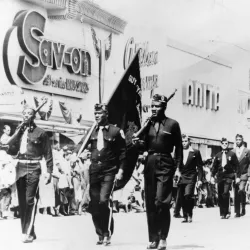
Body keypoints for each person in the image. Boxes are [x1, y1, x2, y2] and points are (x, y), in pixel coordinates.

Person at [133, 94, 182, 250]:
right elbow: (145, 146)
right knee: (150, 204)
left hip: (166, 163)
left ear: (164, 107)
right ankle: (153, 238)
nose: (154, 109)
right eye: (152, 106)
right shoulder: (147, 125)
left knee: (161, 201)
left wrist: (178, 169)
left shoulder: (172, 124)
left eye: (157, 106)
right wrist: (137, 143)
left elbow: (179, 148)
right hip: (150, 164)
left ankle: (163, 237)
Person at [74, 103, 126, 246]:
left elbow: (122, 153)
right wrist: (75, 154)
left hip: (109, 171)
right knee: (95, 204)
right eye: (95, 113)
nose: (97, 116)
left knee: (104, 201)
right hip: (94, 171)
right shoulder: (92, 131)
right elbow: (81, 145)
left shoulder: (115, 131)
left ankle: (107, 232)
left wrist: (121, 170)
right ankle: (100, 233)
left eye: (100, 113)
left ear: (106, 114)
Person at [6, 105, 53, 243]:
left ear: (34, 116)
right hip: (20, 167)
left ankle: (26, 233)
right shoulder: (19, 131)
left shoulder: (41, 133)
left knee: (29, 200)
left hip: (34, 168)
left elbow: (48, 153)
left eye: (29, 114)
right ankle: (29, 230)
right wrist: (17, 133)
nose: (26, 115)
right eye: (24, 113)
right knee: (22, 202)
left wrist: (49, 171)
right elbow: (10, 149)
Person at [211, 137, 239, 219]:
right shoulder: (218, 155)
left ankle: (227, 212)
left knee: (225, 193)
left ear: (228, 144)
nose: (224, 145)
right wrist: (212, 176)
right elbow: (214, 167)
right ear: (221, 144)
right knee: (220, 194)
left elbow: (237, 166)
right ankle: (222, 213)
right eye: (223, 143)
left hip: (229, 176)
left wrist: (237, 177)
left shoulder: (232, 154)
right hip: (220, 176)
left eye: (226, 144)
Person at [179, 134, 203, 223]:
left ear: (189, 141)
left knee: (188, 195)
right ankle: (185, 216)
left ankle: (189, 214)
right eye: (182, 141)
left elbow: (200, 166)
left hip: (191, 177)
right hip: (181, 177)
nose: (184, 143)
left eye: (185, 141)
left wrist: (200, 179)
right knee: (182, 197)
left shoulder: (195, 152)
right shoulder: (179, 152)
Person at [232, 134, 250, 217]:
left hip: (243, 174)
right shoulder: (232, 151)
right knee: (236, 193)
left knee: (241, 190)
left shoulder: (247, 151)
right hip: (235, 175)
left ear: (242, 140)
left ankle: (243, 206)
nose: (238, 141)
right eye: (237, 139)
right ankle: (237, 212)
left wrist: (249, 175)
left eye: (239, 139)